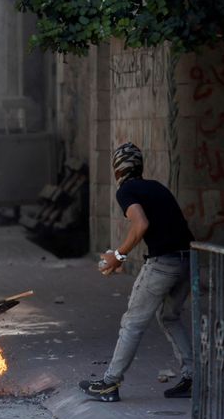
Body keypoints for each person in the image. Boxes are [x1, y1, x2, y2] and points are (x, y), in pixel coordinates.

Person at [79, 142, 195, 402]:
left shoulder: (126, 190)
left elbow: (141, 223)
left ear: (118, 171)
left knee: (132, 322)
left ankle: (109, 383)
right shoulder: (157, 187)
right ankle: (192, 375)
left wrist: (117, 256)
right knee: (170, 317)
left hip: (163, 263)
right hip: (188, 259)